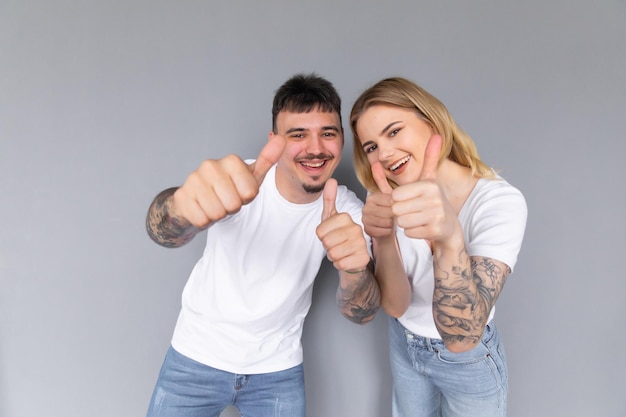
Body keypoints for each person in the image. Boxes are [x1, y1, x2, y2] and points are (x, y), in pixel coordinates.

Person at [144, 73, 380, 417]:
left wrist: (355, 272)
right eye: (298, 134)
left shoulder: (347, 211)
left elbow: (362, 312)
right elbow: (163, 232)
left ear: (342, 139)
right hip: (194, 358)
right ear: (274, 140)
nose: (315, 148)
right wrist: (179, 208)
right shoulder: (239, 182)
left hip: (277, 372)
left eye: (327, 133)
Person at [349, 77, 527, 417]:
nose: (384, 154)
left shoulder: (499, 203)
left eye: (394, 131)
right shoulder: (383, 192)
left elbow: (461, 338)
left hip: (467, 362)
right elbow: (397, 305)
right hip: (405, 343)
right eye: (371, 146)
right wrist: (384, 236)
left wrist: (447, 239)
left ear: (431, 123)